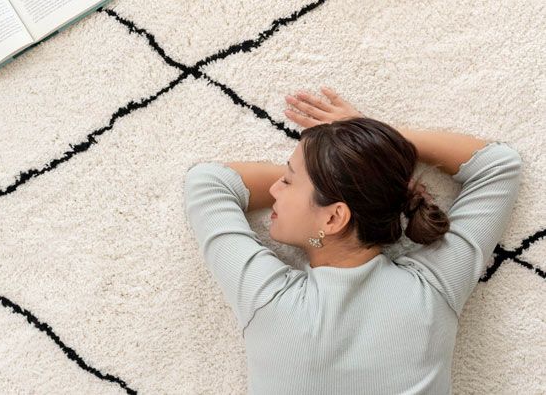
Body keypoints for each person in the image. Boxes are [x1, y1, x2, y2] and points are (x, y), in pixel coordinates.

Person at [183, 86, 523, 395]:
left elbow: (208, 183)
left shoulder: (267, 298)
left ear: (333, 218)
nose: (273, 190)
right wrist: (370, 158)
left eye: (288, 180)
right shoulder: (434, 287)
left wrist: (359, 165)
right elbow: (497, 166)